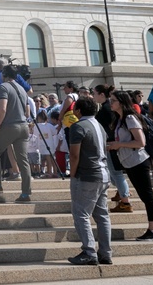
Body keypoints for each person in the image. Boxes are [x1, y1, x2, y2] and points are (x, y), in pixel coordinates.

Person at [107, 90, 153, 241]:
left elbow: (141, 142)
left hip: (138, 161)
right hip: (130, 161)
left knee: (147, 195)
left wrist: (118, 144)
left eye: (113, 100)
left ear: (121, 102)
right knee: (145, 195)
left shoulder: (130, 118)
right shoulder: (120, 119)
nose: (110, 103)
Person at [67, 97, 112, 265]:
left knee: (81, 214)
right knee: (102, 215)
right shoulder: (99, 126)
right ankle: (106, 252)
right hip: (103, 174)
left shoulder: (78, 126)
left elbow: (74, 154)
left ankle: (89, 251)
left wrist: (72, 175)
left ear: (79, 111)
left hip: (87, 175)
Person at [0, 65, 32, 202]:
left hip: (10, 126)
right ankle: (25, 193)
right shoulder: (23, 89)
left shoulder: (4, 86)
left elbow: (3, 108)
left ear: (4, 75)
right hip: (24, 126)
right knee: (23, 160)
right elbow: (27, 112)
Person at [93, 85, 132, 212]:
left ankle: (125, 200)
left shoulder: (106, 109)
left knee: (115, 172)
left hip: (112, 144)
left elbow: (111, 127)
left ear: (102, 95)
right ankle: (122, 193)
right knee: (114, 172)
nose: (93, 96)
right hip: (111, 143)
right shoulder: (106, 108)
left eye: (95, 94)